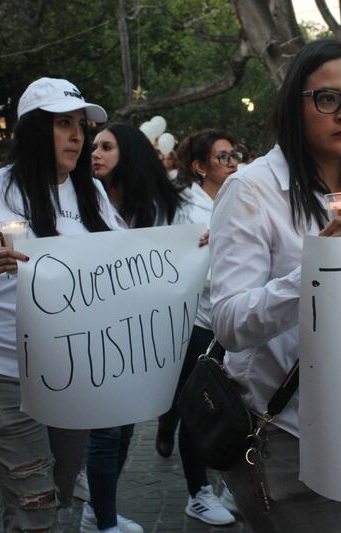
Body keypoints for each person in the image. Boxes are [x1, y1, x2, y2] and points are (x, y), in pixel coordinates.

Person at [209, 38, 341, 533]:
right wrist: (315, 272)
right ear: (296, 104)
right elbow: (229, 322)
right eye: (327, 98)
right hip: (285, 432)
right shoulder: (251, 190)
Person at [0, 77, 120, 531]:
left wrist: (191, 247)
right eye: (63, 124)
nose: (78, 136)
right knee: (34, 510)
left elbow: (126, 260)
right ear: (35, 130)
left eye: (81, 125)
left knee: (61, 500)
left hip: (70, 378)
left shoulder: (90, 193)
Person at [85, 121, 189, 533]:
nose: (95, 152)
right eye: (94, 145)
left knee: (124, 427)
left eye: (106, 146)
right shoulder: (83, 202)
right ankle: (102, 520)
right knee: (106, 431)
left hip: (137, 334)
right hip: (93, 333)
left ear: (128, 153)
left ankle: (97, 511)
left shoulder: (158, 208)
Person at [158, 128, 243, 526]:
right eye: (223, 157)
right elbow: (169, 258)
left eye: (233, 156)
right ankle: (198, 493)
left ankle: (230, 483)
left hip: (233, 318)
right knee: (199, 407)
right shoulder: (183, 207)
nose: (231, 163)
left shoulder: (241, 199)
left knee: (234, 405)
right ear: (198, 167)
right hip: (196, 323)